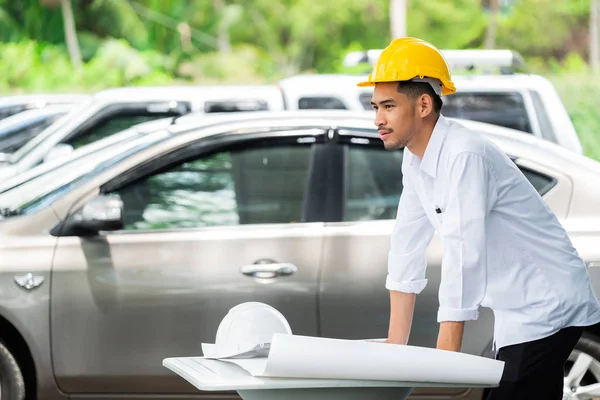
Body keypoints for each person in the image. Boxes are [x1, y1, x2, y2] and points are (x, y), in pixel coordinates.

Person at [357, 37, 600, 400]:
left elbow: (462, 255)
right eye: (376, 106)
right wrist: (395, 345)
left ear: (423, 104)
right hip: (516, 311)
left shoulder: (463, 155)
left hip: (547, 305)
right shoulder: (416, 158)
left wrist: (446, 357)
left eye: (388, 106)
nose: (378, 119)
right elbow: (406, 246)